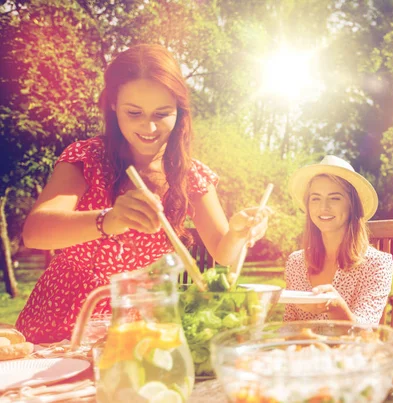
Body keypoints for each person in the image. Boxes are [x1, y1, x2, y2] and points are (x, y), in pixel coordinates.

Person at [15, 44, 269, 344]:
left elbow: (223, 252)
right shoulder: (88, 157)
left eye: (162, 114)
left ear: (180, 110)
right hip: (60, 320)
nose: (148, 127)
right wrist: (107, 220)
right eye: (133, 112)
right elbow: (35, 233)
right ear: (112, 105)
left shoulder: (190, 175)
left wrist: (239, 232)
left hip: (135, 324)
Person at [283, 155, 393, 325]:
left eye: (335, 198)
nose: (323, 207)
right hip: (302, 351)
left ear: (352, 205)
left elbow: (364, 336)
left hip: (349, 352)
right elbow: (289, 325)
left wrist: (335, 307)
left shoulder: (377, 264)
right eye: (315, 198)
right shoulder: (296, 262)